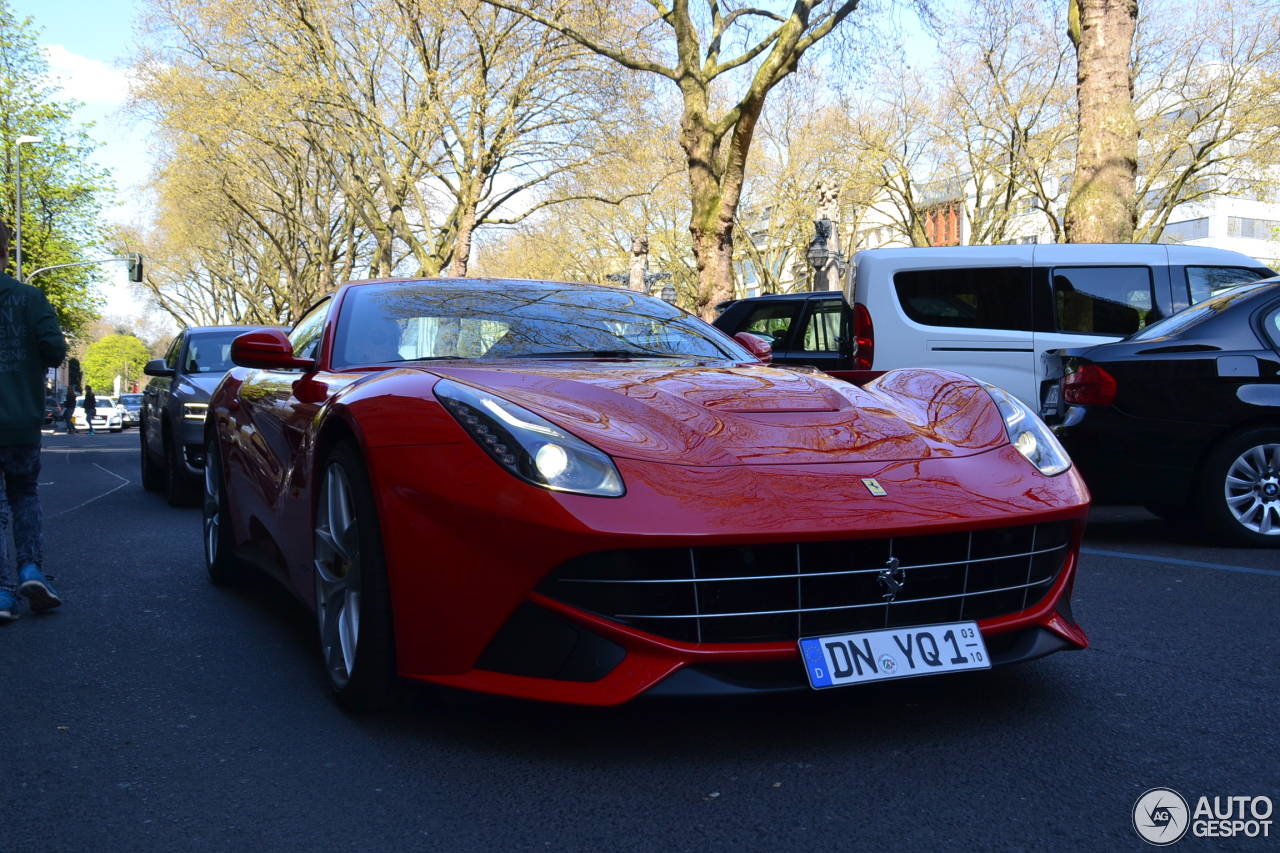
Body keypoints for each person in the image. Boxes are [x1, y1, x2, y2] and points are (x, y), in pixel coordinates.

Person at [0, 220, 68, 620]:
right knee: (24, 494)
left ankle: (3, 595)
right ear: (6, 252)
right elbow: (54, 351)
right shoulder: (30, 298)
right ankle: (31, 569)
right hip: (21, 420)